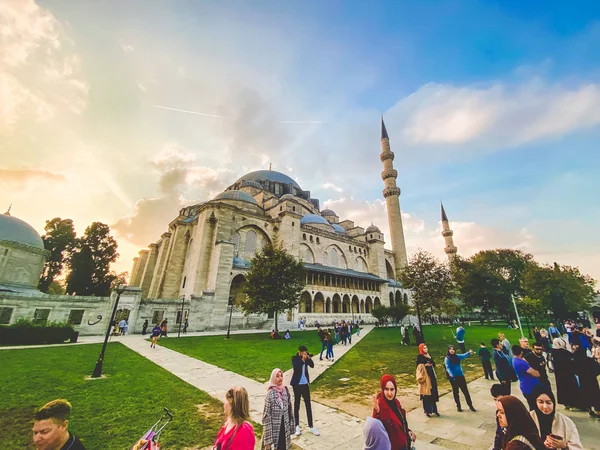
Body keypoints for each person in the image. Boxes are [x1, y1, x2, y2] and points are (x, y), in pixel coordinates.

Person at [529, 384, 583, 449]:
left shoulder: (566, 422)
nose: (545, 407)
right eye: (540, 402)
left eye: (548, 402)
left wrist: (564, 446)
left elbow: (577, 447)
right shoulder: (528, 420)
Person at [372, 374, 416, 450]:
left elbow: (400, 423)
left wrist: (408, 431)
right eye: (386, 389)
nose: (389, 393)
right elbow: (375, 429)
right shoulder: (380, 406)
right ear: (382, 389)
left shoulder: (396, 403)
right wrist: (377, 412)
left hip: (405, 445)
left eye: (392, 389)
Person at [290, 346, 319, 436]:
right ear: (300, 352)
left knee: (308, 404)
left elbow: (312, 366)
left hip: (305, 384)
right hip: (297, 385)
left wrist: (309, 359)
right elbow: (296, 367)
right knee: (297, 404)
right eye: (303, 353)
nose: (305, 354)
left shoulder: (306, 359)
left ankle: (311, 426)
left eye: (306, 353)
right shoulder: (295, 358)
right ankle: (297, 426)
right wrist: (302, 359)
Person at [262, 369, 294, 450]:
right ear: (273, 378)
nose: (280, 378)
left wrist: (291, 427)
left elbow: (290, 410)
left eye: (281, 376)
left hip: (285, 429)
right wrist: (268, 441)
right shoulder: (270, 394)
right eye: (277, 376)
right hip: (275, 431)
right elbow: (266, 417)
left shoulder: (285, 391)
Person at [551, 338, 582, 411]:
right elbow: (572, 360)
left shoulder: (552, 352)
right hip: (568, 374)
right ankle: (574, 404)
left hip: (559, 375)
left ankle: (566, 404)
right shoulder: (564, 352)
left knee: (562, 389)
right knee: (571, 388)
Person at [444, 345, 476, 412]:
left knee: (465, 391)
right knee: (456, 392)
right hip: (453, 378)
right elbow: (448, 367)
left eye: (453, 349)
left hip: (460, 376)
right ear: (448, 350)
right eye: (450, 349)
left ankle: (470, 405)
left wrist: (469, 352)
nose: (452, 350)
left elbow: (463, 356)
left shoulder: (457, 356)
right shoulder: (447, 358)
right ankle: (458, 406)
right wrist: (451, 374)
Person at [571, 343, 600, 418]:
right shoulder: (590, 360)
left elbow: (575, 371)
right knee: (596, 396)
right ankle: (598, 411)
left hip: (583, 381)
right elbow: (598, 369)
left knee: (586, 396)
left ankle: (590, 411)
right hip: (592, 381)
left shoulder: (575, 362)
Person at [511, 345, 540, 410]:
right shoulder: (521, 363)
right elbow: (536, 374)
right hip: (530, 387)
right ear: (521, 352)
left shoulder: (514, 360)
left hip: (525, 386)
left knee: (532, 405)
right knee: (534, 406)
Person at [416, 343, 439, 417]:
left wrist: (431, 362)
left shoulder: (429, 355)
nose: (426, 349)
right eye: (424, 348)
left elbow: (434, 364)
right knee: (426, 395)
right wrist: (424, 365)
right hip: (425, 379)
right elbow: (418, 367)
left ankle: (434, 410)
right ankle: (427, 411)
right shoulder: (419, 357)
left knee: (433, 393)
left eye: (426, 348)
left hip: (432, 377)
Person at [490, 384, 510, 450]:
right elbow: (499, 433)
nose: (497, 403)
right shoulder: (498, 413)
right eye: (495, 400)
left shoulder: (515, 414)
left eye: (500, 400)